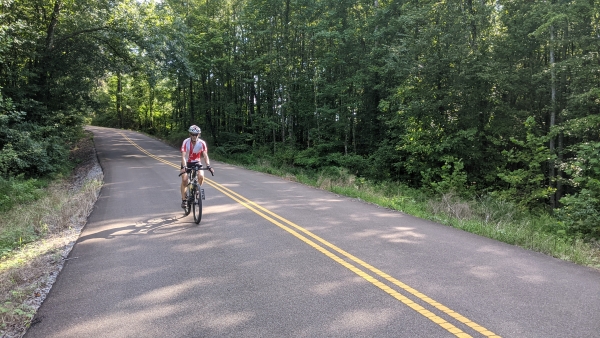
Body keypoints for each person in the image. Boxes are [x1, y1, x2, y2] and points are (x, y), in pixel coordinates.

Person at [180, 125, 214, 208]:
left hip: (197, 162)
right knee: (184, 179)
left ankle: (196, 189)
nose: (194, 136)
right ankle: (184, 200)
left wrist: (208, 165)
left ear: (199, 134)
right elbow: (183, 156)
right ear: (190, 134)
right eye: (192, 134)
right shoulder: (186, 142)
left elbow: (205, 155)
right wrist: (184, 166)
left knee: (201, 176)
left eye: (196, 134)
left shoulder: (202, 143)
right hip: (187, 162)